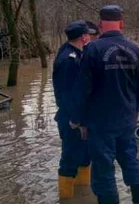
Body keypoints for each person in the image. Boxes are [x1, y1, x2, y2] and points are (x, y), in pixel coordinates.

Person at [73, 5, 139, 204]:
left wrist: (79, 120)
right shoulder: (137, 50)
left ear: (100, 24)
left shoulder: (92, 50)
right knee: (130, 161)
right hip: (127, 120)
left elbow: (83, 89)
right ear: (122, 24)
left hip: (100, 122)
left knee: (104, 172)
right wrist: (134, 111)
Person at [52, 21, 91, 199]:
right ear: (83, 37)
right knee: (69, 159)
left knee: (83, 156)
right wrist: (77, 120)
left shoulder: (71, 52)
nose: (90, 37)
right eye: (88, 34)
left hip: (78, 116)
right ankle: (66, 198)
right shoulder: (69, 60)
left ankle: (83, 195)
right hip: (71, 119)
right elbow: (69, 95)